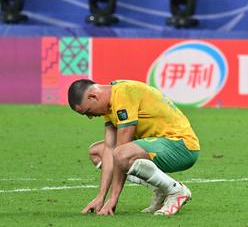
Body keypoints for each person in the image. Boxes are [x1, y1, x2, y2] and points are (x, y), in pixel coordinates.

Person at [68, 79, 200, 216]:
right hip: (159, 145)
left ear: (93, 96)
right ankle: (160, 188)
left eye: (88, 111)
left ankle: (176, 191)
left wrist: (113, 199)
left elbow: (120, 152)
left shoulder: (124, 94)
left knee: (121, 154)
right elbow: (109, 148)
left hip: (182, 146)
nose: (90, 117)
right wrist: (100, 197)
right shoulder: (110, 103)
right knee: (98, 152)